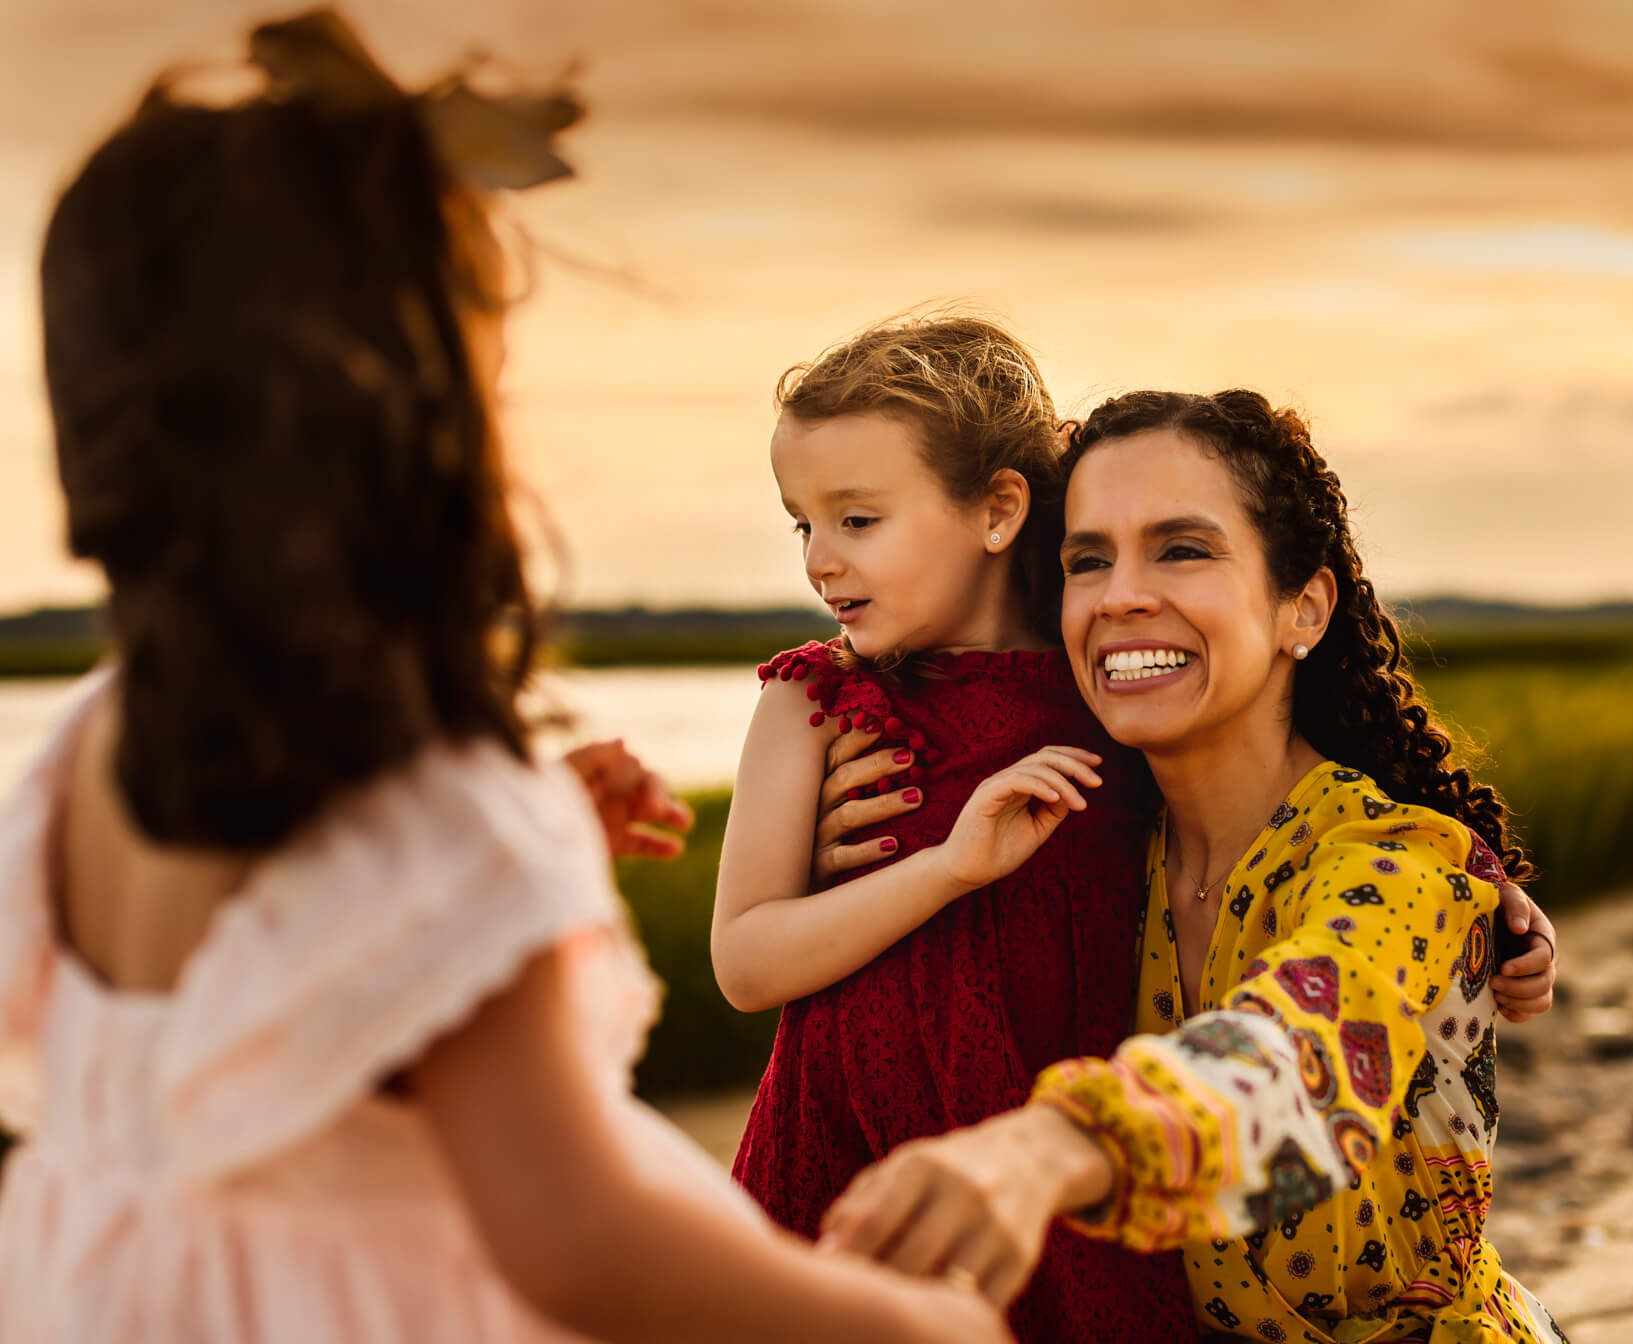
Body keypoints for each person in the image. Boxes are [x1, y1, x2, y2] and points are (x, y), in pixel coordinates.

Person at [0, 13, 1007, 1342]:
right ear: (407, 425)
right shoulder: (436, 817)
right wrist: (900, 1329)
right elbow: (580, 1241)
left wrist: (508, 876)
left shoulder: (88, 748)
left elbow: (262, 992)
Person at [820, 390, 1568, 1342]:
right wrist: (852, 839)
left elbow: (1305, 1066)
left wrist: (1055, 1146)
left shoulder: (1402, 863)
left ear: (1304, 607)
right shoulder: (1082, 846)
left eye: (1182, 548)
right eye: (1088, 560)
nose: (1121, 594)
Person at [708, 316, 1198, 1343]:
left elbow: (1280, 802)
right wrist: (944, 870)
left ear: (998, 508)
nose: (820, 562)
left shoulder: (1112, 690)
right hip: (844, 1162)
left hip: (1055, 1161)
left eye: (859, 521)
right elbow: (747, 963)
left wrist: (1486, 889)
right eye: (804, 525)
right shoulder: (814, 706)